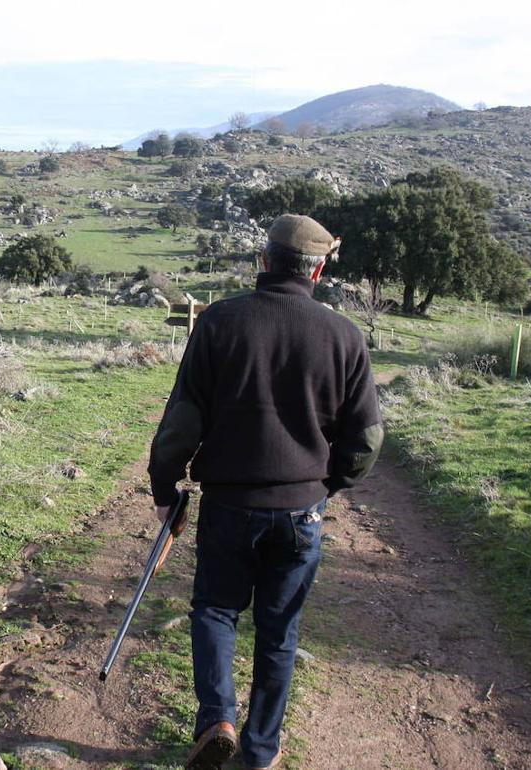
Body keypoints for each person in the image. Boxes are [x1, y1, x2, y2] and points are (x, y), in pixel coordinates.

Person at [148, 214, 384, 769]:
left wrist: (166, 486)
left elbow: (182, 420)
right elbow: (367, 439)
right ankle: (259, 751)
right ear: (318, 269)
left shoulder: (220, 322)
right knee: (279, 630)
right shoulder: (345, 335)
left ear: (264, 261)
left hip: (230, 503)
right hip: (302, 511)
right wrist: (327, 483)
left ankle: (217, 720)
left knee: (215, 609)